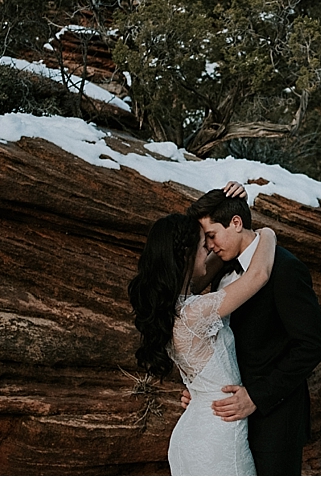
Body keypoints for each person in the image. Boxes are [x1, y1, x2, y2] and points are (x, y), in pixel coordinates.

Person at [128, 184, 277, 476]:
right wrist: (265, 233)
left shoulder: (172, 306)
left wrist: (231, 211)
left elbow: (203, 268)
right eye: (202, 245)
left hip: (195, 428)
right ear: (185, 257)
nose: (208, 248)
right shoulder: (195, 312)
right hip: (217, 438)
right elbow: (259, 273)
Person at [184, 188, 321, 476]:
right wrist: (201, 388)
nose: (209, 245)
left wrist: (256, 396)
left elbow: (312, 344)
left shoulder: (286, 269)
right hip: (227, 418)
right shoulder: (222, 271)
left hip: (274, 418)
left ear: (236, 223)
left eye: (211, 235)